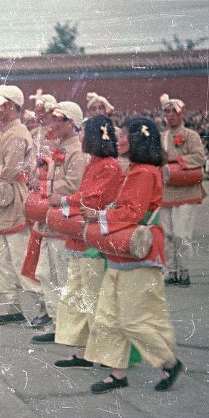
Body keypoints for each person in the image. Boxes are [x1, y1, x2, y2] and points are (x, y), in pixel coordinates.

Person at [83, 118, 184, 394]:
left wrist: (100, 215)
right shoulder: (137, 170)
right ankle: (117, 372)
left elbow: (132, 213)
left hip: (138, 256)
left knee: (132, 319)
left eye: (125, 136)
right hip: (123, 254)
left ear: (137, 140)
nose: (120, 140)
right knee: (109, 315)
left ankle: (168, 361)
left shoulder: (143, 173)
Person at [50, 116, 123, 359]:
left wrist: (61, 201)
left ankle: (102, 352)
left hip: (94, 239)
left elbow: (93, 198)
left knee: (93, 297)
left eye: (83, 132)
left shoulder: (110, 166)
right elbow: (84, 194)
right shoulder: (94, 163)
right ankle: (84, 350)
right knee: (77, 294)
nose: (79, 136)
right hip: (81, 237)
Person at [0, 85, 42, 325]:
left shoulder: (17, 133)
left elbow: (10, 170)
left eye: (1, 105)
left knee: (19, 258)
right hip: (2, 198)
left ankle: (43, 307)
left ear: (11, 107)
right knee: (0, 259)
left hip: (14, 198)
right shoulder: (9, 131)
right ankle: (13, 306)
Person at [27, 99, 88, 333]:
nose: (54, 124)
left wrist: (45, 187)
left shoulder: (78, 151)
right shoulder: (59, 148)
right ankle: (55, 322)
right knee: (44, 273)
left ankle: (65, 326)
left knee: (62, 277)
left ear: (72, 123)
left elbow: (74, 185)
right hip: (49, 220)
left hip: (64, 221)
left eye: (59, 120)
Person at [158, 94, 206, 287]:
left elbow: (199, 157)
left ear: (181, 114)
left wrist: (176, 162)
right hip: (166, 190)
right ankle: (170, 270)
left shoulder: (190, 135)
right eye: (167, 112)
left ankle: (184, 269)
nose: (170, 116)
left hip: (186, 189)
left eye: (174, 112)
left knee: (181, 233)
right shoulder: (161, 137)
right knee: (167, 233)